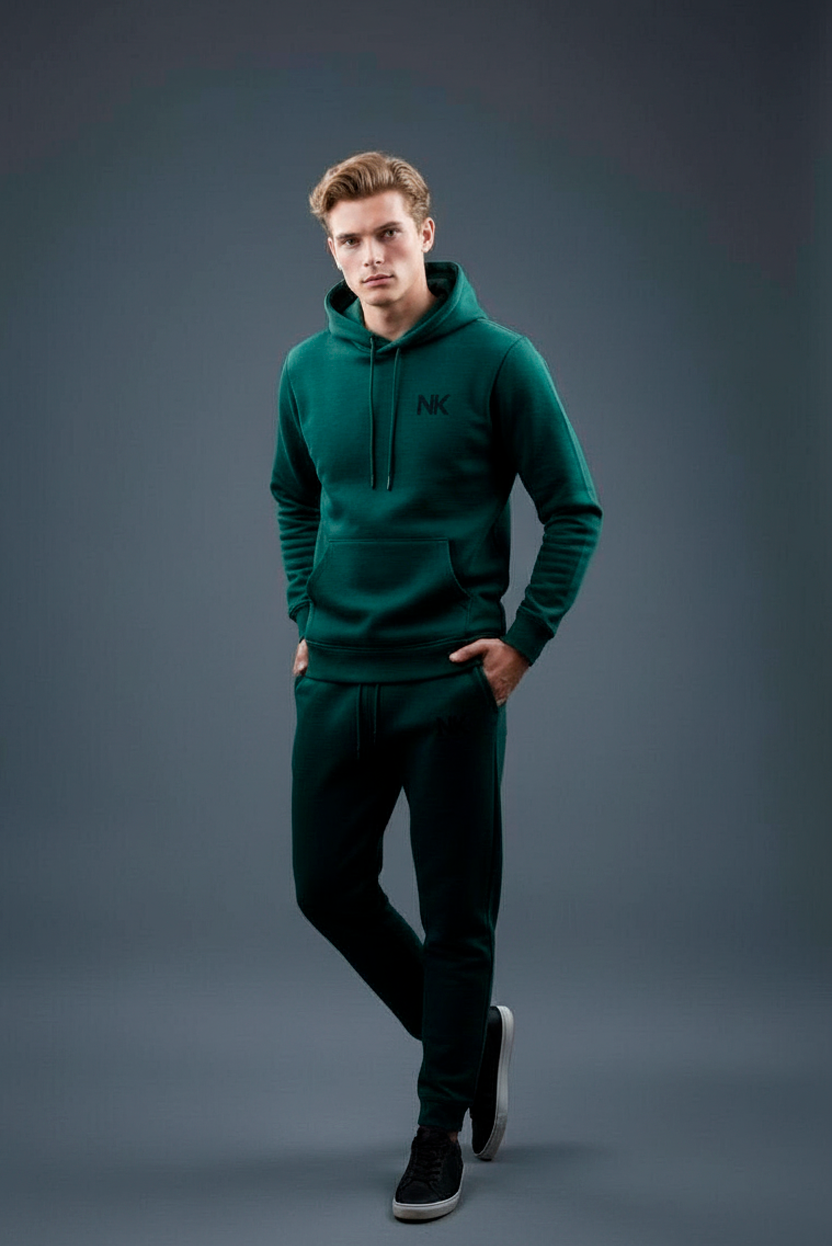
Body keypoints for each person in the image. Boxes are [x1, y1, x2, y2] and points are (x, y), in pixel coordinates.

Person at [270, 151, 602, 1222]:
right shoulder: (305, 371)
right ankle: (468, 1037)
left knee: (458, 913)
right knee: (325, 886)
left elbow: (574, 509)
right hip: (338, 676)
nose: (370, 257)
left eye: (387, 233)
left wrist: (523, 643)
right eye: (349, 241)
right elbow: (292, 496)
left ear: (425, 231)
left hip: (450, 686)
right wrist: (305, 611)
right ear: (332, 251)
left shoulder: (501, 361)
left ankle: (435, 1130)